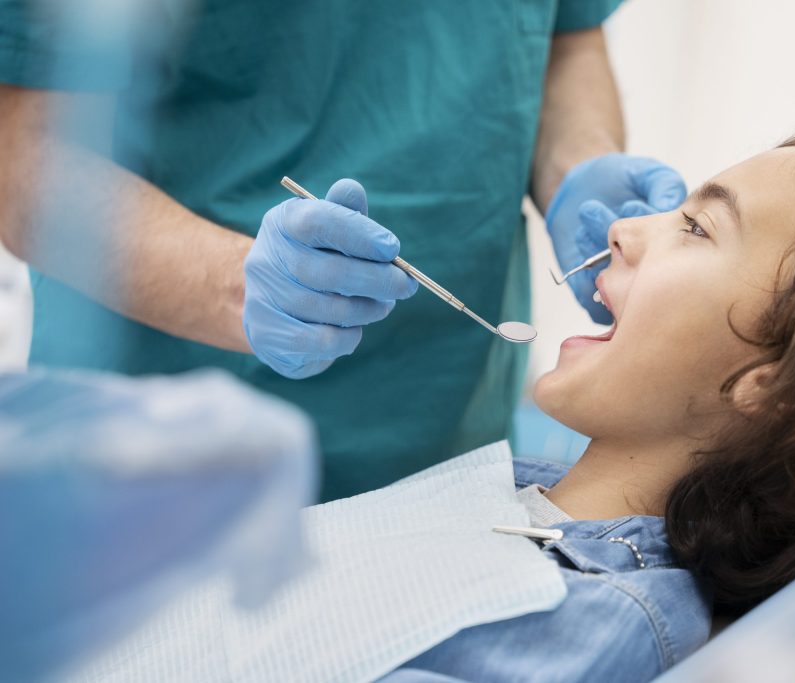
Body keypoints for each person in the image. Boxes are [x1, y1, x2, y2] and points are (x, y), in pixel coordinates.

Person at [377, 120, 795, 681]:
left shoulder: (593, 620)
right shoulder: (524, 491)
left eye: (695, 226)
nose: (623, 229)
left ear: (780, 382)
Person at [0, 0, 685, 501]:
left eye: (701, 230)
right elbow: (23, 152)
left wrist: (578, 172)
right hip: (160, 466)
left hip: (450, 442)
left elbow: (565, 36)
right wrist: (238, 284)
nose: (638, 238)